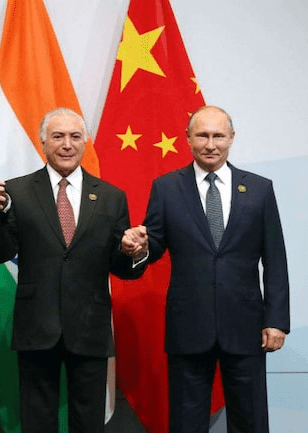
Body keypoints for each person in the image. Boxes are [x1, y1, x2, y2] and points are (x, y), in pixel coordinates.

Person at [124, 106, 289, 433]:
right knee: (186, 421)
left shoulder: (259, 189)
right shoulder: (166, 188)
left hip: (246, 326)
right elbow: (154, 244)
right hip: (189, 325)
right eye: (202, 135)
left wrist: (276, 320)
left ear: (231, 138)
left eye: (218, 136)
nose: (210, 144)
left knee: (251, 420)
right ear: (188, 138)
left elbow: (275, 259)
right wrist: (139, 247)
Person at [0, 107, 146, 433]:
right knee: (37, 421)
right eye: (58, 136)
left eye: (74, 136)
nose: (67, 144)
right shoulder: (17, 192)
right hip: (36, 327)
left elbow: (122, 267)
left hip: (90, 329)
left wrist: (133, 252)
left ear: (85, 141)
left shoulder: (111, 197)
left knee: (88, 422)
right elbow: (0, 253)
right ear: (43, 142)